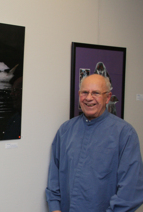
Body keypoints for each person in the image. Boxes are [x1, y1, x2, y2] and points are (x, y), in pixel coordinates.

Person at [46, 74, 143, 212]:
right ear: (79, 95)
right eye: (85, 92)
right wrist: (55, 208)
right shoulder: (65, 130)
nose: (89, 98)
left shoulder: (125, 133)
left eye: (96, 93)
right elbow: (54, 177)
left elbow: (131, 190)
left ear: (108, 98)